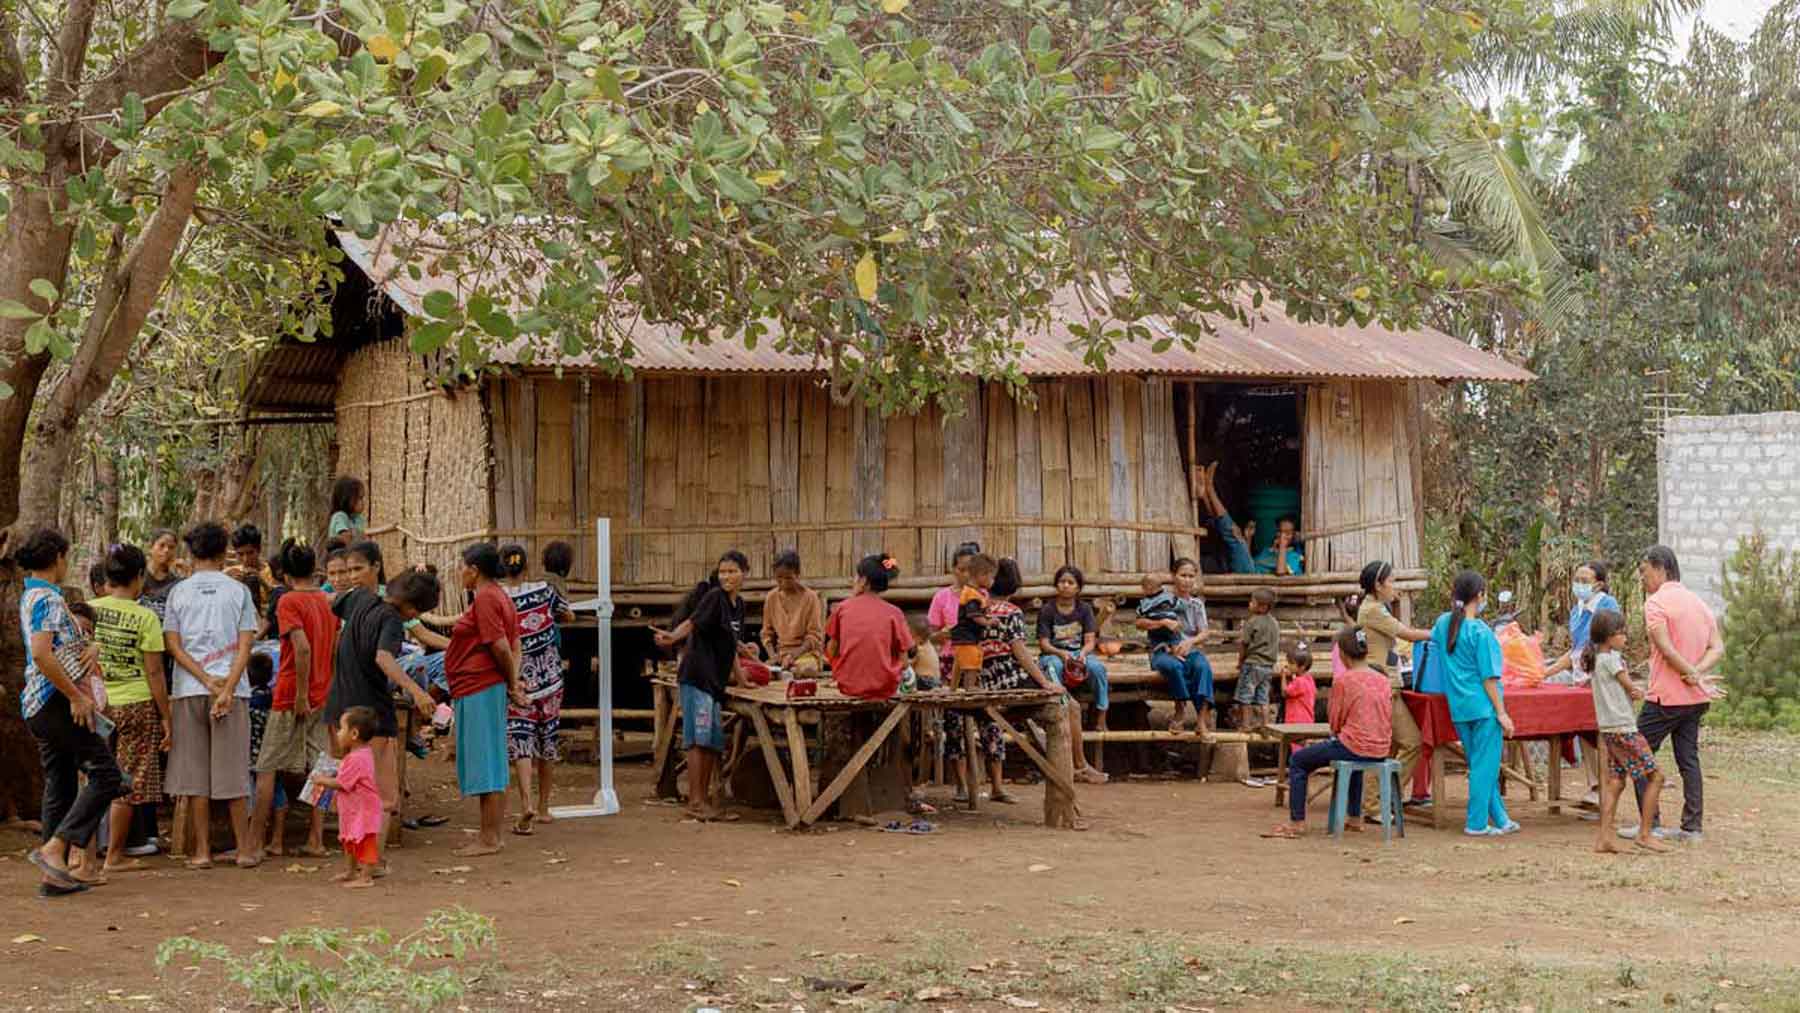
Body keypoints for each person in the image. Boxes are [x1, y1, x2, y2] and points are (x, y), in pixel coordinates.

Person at [16, 528, 124, 896]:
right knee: (108, 775)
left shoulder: (33, 595)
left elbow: (56, 647)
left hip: (38, 702)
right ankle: (55, 848)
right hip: (54, 700)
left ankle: (54, 874)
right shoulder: (45, 597)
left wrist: (88, 648)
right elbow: (44, 652)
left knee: (60, 782)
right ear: (57, 558)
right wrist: (76, 698)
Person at [162, 521, 262, 869]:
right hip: (232, 691)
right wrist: (227, 687)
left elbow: (173, 646)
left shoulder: (179, 592)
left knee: (195, 776)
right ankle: (245, 849)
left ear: (191, 553)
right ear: (224, 553)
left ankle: (202, 851)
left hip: (190, 689)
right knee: (233, 772)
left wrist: (205, 678)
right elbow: (247, 644)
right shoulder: (238, 592)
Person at [324, 570, 439, 868]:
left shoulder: (359, 597)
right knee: (384, 797)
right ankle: (371, 863)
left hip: (339, 710)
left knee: (349, 791)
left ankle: (353, 864)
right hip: (371, 716)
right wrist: (416, 691)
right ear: (412, 610)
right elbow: (383, 658)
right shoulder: (390, 620)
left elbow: (329, 601)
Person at [1619, 545, 1723, 844]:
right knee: (1688, 759)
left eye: (1644, 572)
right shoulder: (1698, 603)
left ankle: (1650, 825)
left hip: (1665, 697)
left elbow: (1665, 648)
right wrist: (1696, 673)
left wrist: (1690, 674)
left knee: (1637, 753)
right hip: (1694, 699)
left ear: (1661, 568)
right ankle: (1692, 828)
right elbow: (1718, 647)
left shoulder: (1656, 603)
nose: (1642, 579)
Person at [248, 540, 336, 862]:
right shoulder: (328, 602)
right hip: (322, 693)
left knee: (267, 767)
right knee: (323, 767)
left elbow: (301, 648)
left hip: (290, 696)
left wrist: (299, 694)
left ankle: (255, 843)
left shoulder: (288, 602)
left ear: (284, 574)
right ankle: (315, 839)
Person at [90, 544, 172, 874]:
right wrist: (166, 716)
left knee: (93, 778)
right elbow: (155, 673)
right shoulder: (146, 617)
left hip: (94, 705)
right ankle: (115, 855)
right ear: (139, 577)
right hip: (136, 705)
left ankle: (83, 854)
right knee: (126, 780)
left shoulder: (88, 609)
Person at [1265, 626, 1391, 838]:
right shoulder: (1382, 679)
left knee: (1299, 761)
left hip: (1353, 745)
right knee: (1356, 762)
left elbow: (1335, 722)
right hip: (1381, 748)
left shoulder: (1344, 680)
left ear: (1342, 653)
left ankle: (1297, 822)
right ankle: (1354, 818)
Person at [655, 550, 751, 821]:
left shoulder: (739, 606)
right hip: (697, 677)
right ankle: (696, 802)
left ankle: (704, 800)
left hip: (714, 683)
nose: (727, 577)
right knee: (698, 740)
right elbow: (692, 623)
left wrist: (743, 680)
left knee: (711, 741)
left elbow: (732, 647)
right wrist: (673, 637)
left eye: (732, 571)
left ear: (745, 573)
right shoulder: (714, 598)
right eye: (723, 572)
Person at [444, 544, 524, 853]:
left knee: (485, 761)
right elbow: (515, 645)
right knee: (491, 759)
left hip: (480, 686)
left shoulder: (487, 599)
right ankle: (489, 834)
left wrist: (511, 682)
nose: (459, 571)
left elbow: (502, 647)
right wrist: (512, 683)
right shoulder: (500, 596)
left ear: (474, 570)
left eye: (462, 566)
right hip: (483, 686)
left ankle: (490, 838)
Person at [1429, 570, 1518, 837]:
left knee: (1480, 764)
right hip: (1483, 709)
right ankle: (1477, 822)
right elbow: (1489, 679)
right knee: (1484, 767)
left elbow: (1432, 639)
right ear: (1480, 596)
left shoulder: (1444, 623)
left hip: (1460, 708)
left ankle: (1501, 818)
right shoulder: (1481, 632)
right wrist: (1502, 713)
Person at [971, 558, 1065, 803]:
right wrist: (1044, 682)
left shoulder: (977, 610)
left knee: (991, 725)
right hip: (1009, 679)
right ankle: (1074, 767)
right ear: (1014, 585)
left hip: (985, 680)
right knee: (1064, 707)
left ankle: (997, 787)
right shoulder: (1012, 612)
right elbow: (1020, 651)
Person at [496, 543, 573, 834]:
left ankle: (526, 802)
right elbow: (566, 615)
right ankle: (543, 808)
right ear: (527, 566)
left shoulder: (497, 598)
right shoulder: (545, 589)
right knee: (547, 740)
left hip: (518, 679)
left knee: (522, 741)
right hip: (550, 677)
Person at [1583, 610, 1670, 856]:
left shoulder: (1597, 660)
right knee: (1656, 777)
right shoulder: (1612, 660)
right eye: (1621, 633)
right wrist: (1649, 690)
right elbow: (1632, 689)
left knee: (1616, 782)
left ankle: (1604, 838)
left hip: (1609, 730)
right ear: (1609, 637)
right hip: (1624, 728)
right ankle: (1645, 834)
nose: (1625, 638)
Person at [1352, 561, 1431, 816]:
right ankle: (1378, 800)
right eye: (1391, 581)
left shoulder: (1373, 608)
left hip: (1381, 683)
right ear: (1378, 584)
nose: (1394, 587)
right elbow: (1406, 633)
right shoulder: (1374, 610)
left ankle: (1375, 801)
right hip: (1383, 686)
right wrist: (1439, 632)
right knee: (1412, 742)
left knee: (1389, 747)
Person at [1544, 560, 1621, 806]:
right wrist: (1546, 671)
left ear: (1599, 584)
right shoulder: (1577, 610)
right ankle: (1594, 786)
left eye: (1585, 581)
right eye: (1577, 579)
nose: (1579, 584)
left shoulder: (1607, 606)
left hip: (1601, 678)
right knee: (1583, 729)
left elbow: (1609, 645)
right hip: (1582, 680)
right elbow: (1575, 651)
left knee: (1600, 733)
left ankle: (1606, 789)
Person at [1137, 559, 1215, 732]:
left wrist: (1189, 642)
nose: (1187, 580)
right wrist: (1162, 623)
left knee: (1202, 666)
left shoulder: (1196, 604)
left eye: (1191, 576)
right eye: (1183, 575)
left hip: (1189, 649)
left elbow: (1205, 632)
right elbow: (1140, 622)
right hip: (1162, 650)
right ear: (1173, 576)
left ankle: (1201, 718)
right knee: (1172, 666)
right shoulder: (1158, 598)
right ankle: (1179, 710)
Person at [825, 553, 914, 700]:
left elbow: (832, 650)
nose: (853, 580)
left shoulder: (842, 608)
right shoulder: (895, 612)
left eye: (856, 576)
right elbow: (904, 663)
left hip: (848, 687)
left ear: (864, 581)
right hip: (885, 688)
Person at [313, 706, 385, 889]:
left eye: (341, 728)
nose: (338, 733)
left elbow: (342, 783)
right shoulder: (359, 754)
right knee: (349, 839)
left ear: (353, 733)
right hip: (355, 808)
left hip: (362, 809)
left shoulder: (356, 758)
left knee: (365, 841)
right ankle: (351, 870)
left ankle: (365, 876)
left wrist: (322, 780)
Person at [1036, 565, 1110, 736]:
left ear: (1078, 588)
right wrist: (1061, 654)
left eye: (1070, 582)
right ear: (1056, 585)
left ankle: (1101, 715)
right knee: (1054, 668)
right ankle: (1063, 714)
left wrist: (1082, 654)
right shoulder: (1047, 610)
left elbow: (1090, 641)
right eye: (1062, 581)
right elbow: (1044, 644)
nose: (1066, 585)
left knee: (1098, 669)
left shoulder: (1084, 609)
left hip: (1079, 652)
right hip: (1053, 654)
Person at [1194, 463, 1303, 575]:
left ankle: (1210, 489)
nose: (1282, 535)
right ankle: (1204, 496)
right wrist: (1248, 539)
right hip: (1246, 570)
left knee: (1234, 533)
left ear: (1294, 534)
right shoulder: (1267, 550)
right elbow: (1248, 562)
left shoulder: (1294, 556)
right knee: (1224, 530)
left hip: (1254, 578)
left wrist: (1282, 547)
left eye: (1287, 533)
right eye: (1280, 531)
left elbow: (1281, 573)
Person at [761, 549, 825, 676]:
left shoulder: (811, 598)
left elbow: (814, 636)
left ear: (798, 574)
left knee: (805, 670)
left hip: (805, 655)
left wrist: (793, 655)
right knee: (763, 672)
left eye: (788, 578)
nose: (783, 582)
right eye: (779, 578)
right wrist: (773, 656)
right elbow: (766, 634)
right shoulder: (771, 597)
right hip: (780, 656)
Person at [1235, 587, 1280, 731]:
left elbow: (1244, 644)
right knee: (1263, 697)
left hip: (1253, 664)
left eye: (1252, 602)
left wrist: (1240, 661)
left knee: (1245, 695)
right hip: (1268, 666)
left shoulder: (1252, 621)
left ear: (1262, 606)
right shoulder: (1274, 622)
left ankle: (1246, 724)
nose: (1249, 604)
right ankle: (1266, 725)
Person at [949, 553, 997, 689]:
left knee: (959, 661)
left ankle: (953, 688)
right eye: (991, 577)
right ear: (982, 575)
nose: (992, 581)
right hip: (967, 636)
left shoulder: (971, 591)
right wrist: (988, 622)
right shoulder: (972, 595)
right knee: (972, 661)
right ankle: (970, 686)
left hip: (963, 635)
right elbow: (974, 615)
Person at [140, 528, 184, 621]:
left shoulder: (177, 582)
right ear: (151, 548)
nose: (166, 550)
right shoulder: (138, 576)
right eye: (161, 545)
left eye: (171, 547)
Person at [227, 523, 271, 613]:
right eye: (240, 554)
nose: (245, 559)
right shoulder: (230, 573)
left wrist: (262, 582)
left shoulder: (272, 573)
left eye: (250, 553)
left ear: (259, 550)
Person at [1281, 643, 1317, 725]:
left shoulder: (1299, 682)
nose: (1288, 665)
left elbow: (1284, 693)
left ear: (1302, 667)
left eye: (1292, 663)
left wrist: (1283, 676)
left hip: (1296, 720)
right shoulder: (1309, 679)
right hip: (1307, 719)